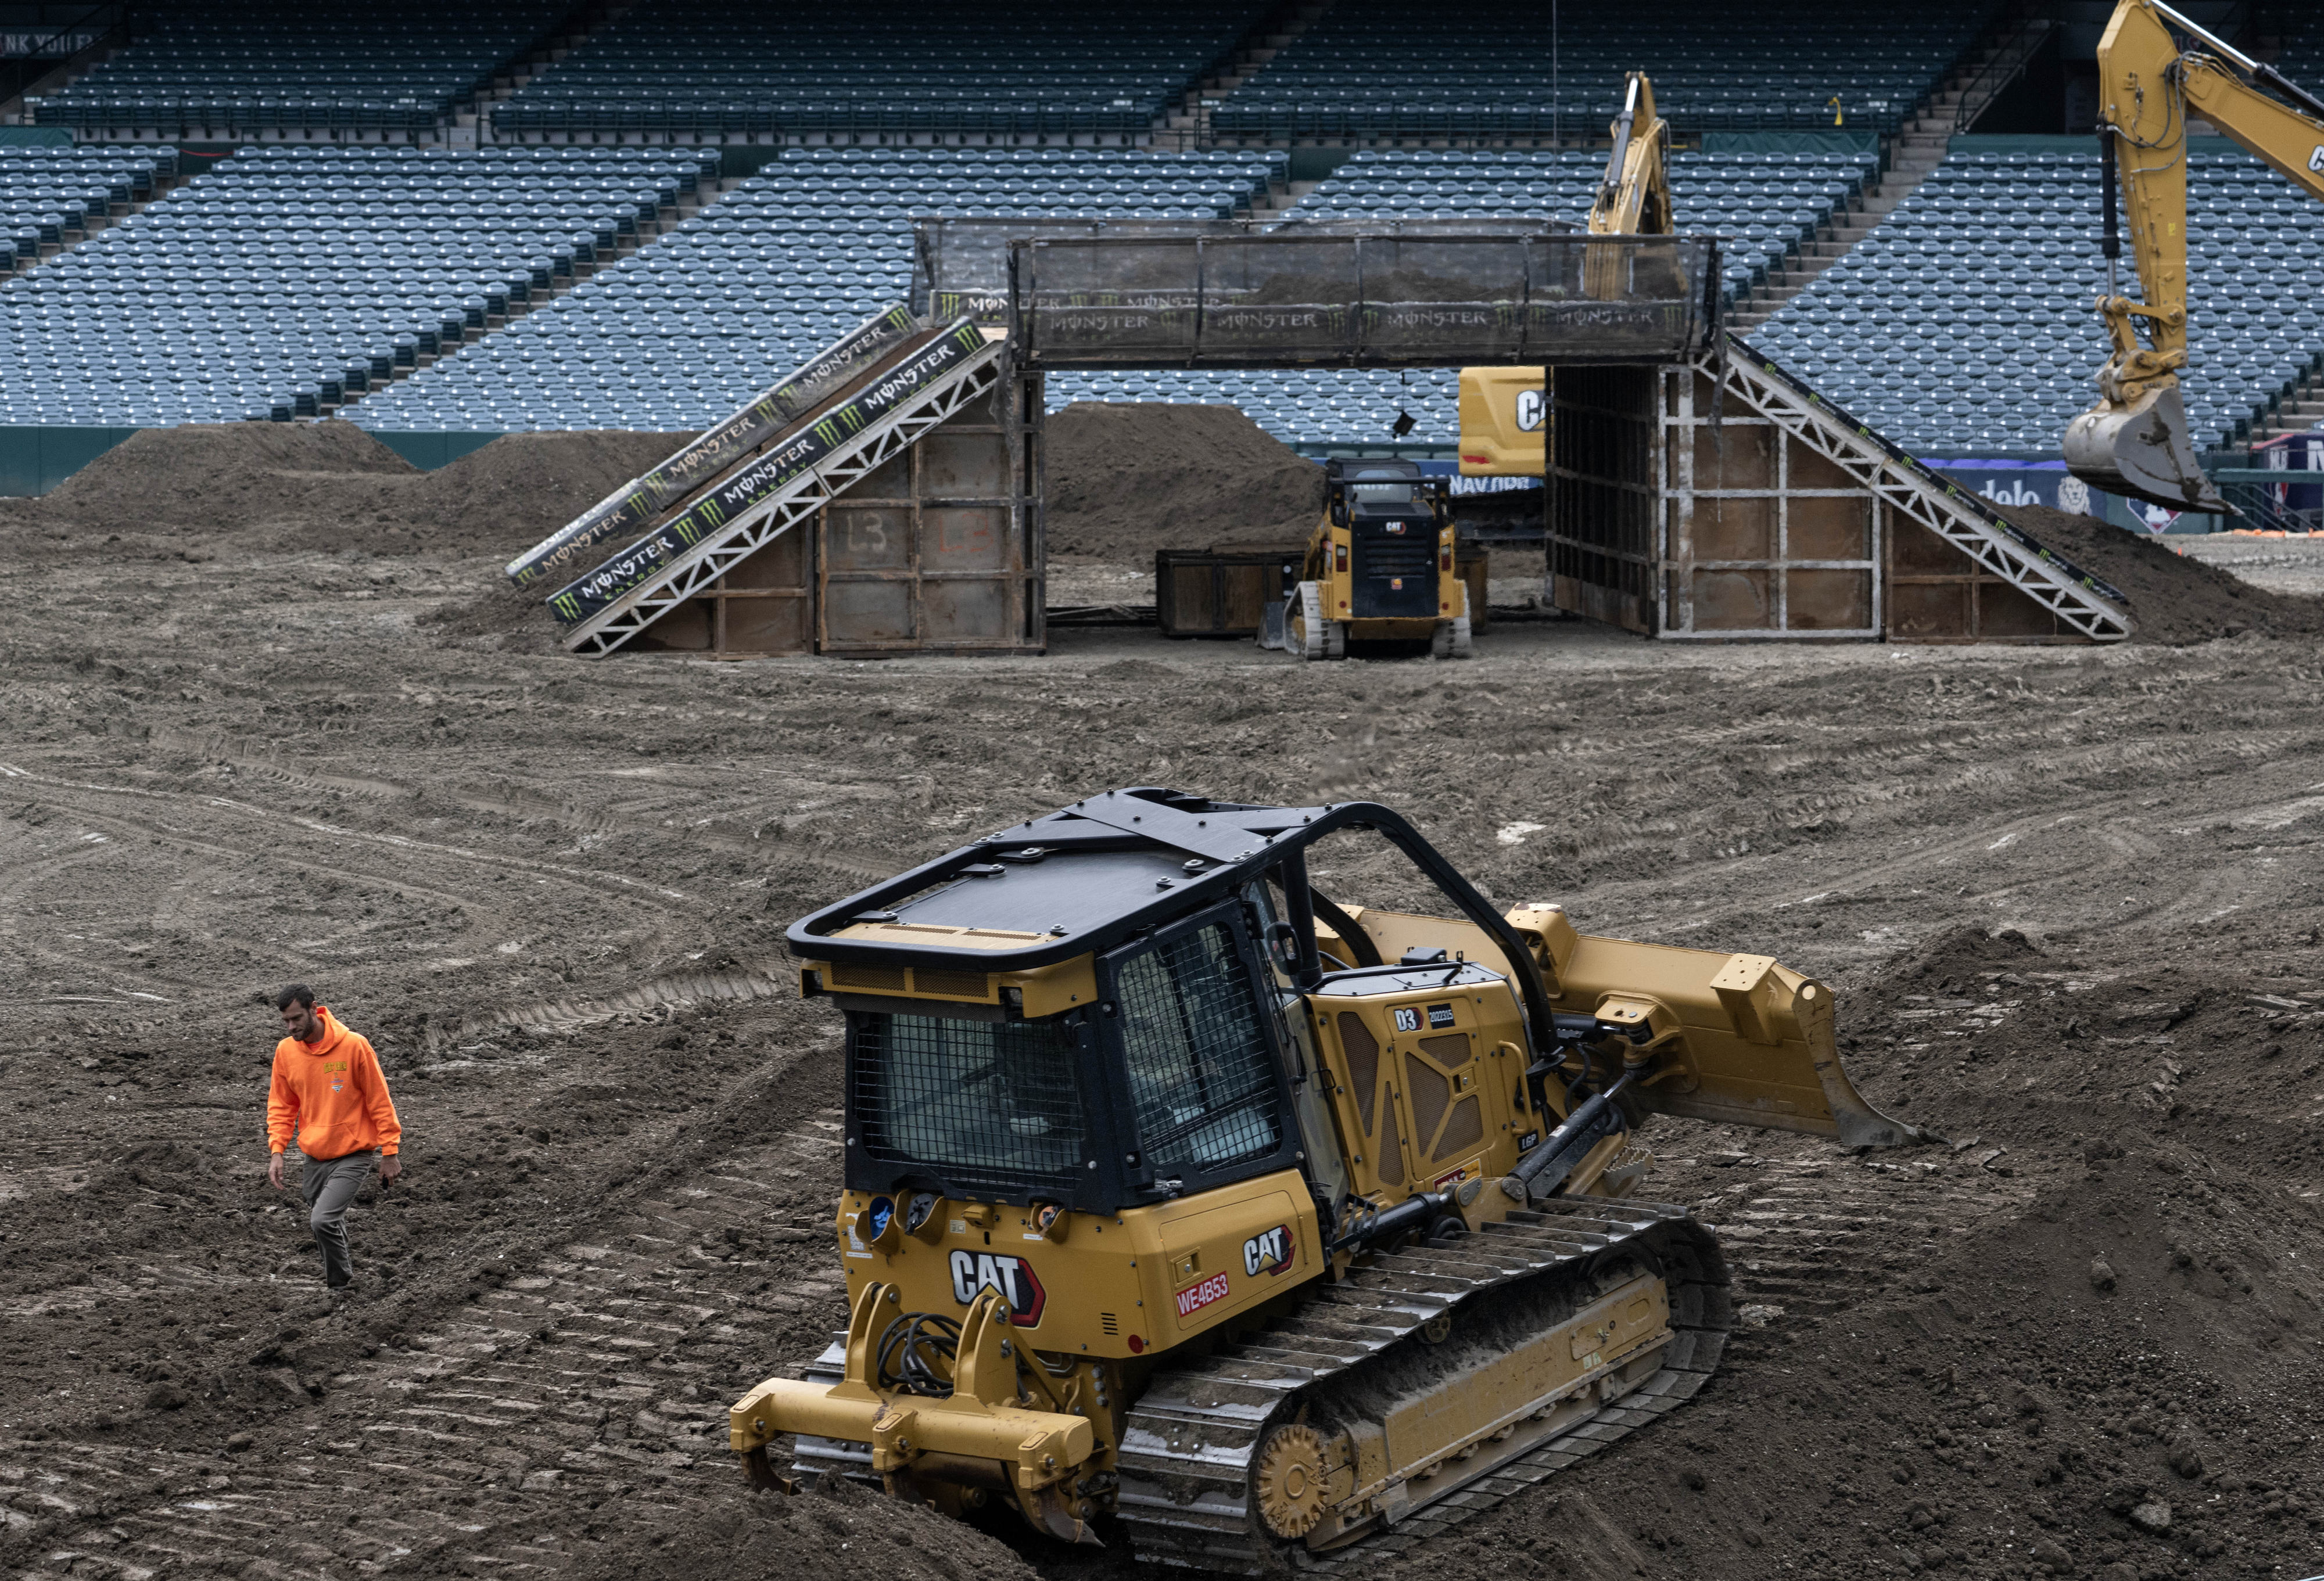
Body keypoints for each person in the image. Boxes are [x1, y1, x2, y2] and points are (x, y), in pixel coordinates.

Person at [265, 984, 402, 1294]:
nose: (291, 1027)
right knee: (326, 1221)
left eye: (297, 1018)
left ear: (315, 1009)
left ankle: (339, 1285)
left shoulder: (355, 1046)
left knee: (322, 1221)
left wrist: (390, 1151)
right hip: (314, 1156)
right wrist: (278, 1150)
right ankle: (344, 1283)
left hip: (354, 1153)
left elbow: (379, 1100)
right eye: (285, 1021)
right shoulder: (286, 1052)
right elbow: (282, 1106)